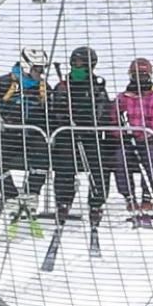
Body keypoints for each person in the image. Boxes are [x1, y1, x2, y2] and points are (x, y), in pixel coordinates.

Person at [0, 47, 54, 206]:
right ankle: (10, 197)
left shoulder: (44, 88)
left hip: (33, 135)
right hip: (8, 134)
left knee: (42, 158)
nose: (40, 73)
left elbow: (52, 112)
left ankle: (30, 195)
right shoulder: (3, 83)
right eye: (36, 68)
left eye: (42, 69)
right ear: (26, 66)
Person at [51, 46, 115, 230]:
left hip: (90, 134)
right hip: (67, 134)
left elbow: (103, 110)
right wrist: (64, 116)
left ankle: (96, 203)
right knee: (64, 164)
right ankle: (63, 202)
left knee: (100, 165)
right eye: (75, 62)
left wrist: (89, 120)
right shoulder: (63, 86)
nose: (78, 66)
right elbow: (54, 109)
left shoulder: (97, 86)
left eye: (81, 63)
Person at [109, 58, 153, 227]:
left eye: (143, 75)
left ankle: (147, 195)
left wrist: (145, 134)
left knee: (150, 157)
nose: (139, 79)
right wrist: (122, 133)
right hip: (127, 139)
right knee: (120, 158)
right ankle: (129, 196)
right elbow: (114, 118)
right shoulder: (123, 98)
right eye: (136, 75)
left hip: (146, 139)